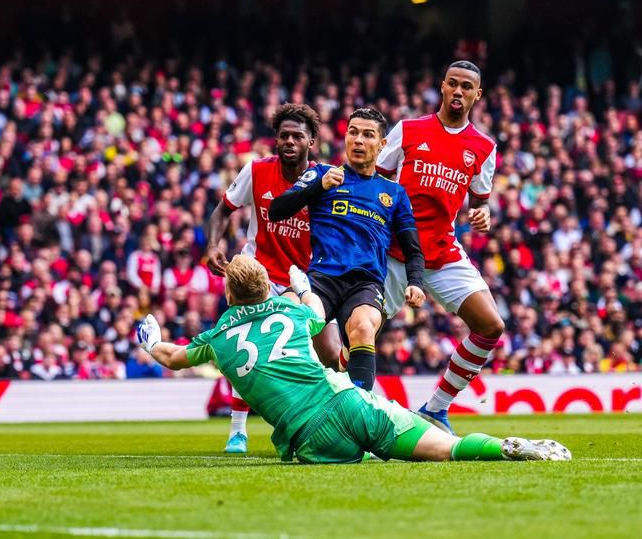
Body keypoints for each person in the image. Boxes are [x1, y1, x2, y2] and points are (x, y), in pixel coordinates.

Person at [136, 254, 571, 464]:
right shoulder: (289, 309)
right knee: (447, 450)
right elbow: (317, 313)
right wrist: (302, 284)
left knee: (364, 461)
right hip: (346, 400)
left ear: (229, 294)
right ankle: (505, 448)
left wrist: (150, 340)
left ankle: (373, 450)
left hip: (308, 437)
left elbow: (173, 357)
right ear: (265, 286)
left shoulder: (218, 337)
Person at [205, 103, 340, 454]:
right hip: (258, 273)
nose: (290, 141)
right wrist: (212, 245)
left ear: (312, 141)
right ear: (276, 140)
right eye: (284, 135)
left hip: (306, 278)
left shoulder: (326, 179)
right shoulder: (257, 170)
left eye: (298, 136)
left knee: (330, 351)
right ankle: (237, 432)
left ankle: (340, 417)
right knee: (245, 344)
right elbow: (223, 210)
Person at [376, 60, 503, 433]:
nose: (459, 91)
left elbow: (480, 201)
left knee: (491, 325)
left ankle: (435, 409)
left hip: (442, 252)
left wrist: (484, 214)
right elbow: (375, 179)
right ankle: (338, 413)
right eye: (453, 84)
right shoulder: (410, 130)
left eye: (468, 86)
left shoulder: (483, 147)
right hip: (394, 252)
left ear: (478, 94)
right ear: (443, 87)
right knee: (361, 334)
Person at [269, 107, 426, 391]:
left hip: (364, 284)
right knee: (284, 314)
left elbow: (413, 248)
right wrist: (317, 187)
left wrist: (415, 282)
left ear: (382, 144)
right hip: (322, 278)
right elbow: (276, 210)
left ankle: (359, 414)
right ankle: (294, 403)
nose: (358, 140)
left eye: (368, 135)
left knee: (364, 328)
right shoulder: (322, 174)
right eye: (353, 132)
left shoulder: (394, 193)